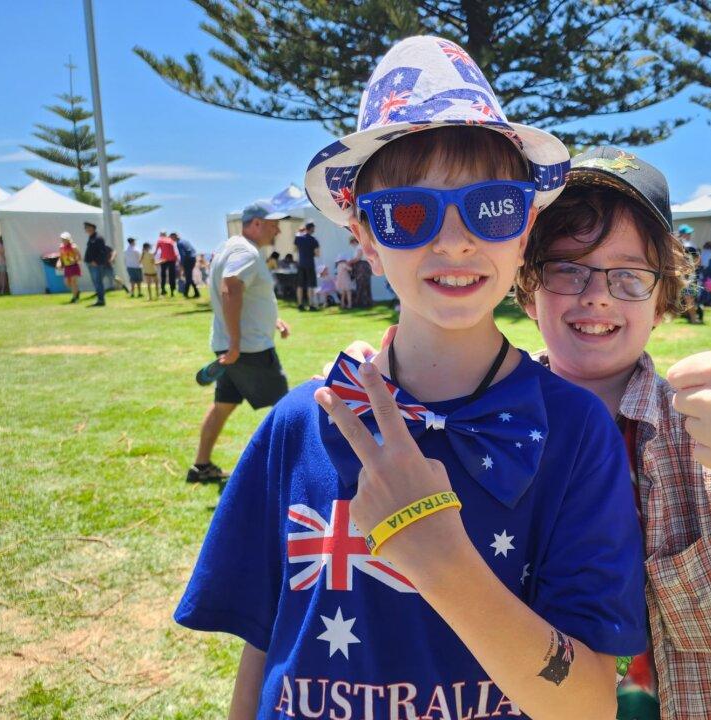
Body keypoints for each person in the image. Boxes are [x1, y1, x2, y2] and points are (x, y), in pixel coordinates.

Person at [176, 38, 646, 720]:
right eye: (408, 212)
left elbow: (590, 705)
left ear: (526, 227)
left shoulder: (574, 433)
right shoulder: (299, 422)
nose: (454, 241)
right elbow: (266, 640)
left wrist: (437, 556)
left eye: (491, 208)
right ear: (364, 236)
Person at [346, 147, 711, 719]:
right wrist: (385, 385)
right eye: (566, 268)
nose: (597, 294)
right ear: (529, 288)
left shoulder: (710, 432)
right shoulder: (471, 425)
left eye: (630, 277)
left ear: (663, 301)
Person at [186, 201, 292, 485]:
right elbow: (231, 287)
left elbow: (244, 296)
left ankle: (201, 466)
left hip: (236, 347)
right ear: (256, 224)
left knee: (223, 406)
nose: (278, 230)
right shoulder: (244, 251)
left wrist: (272, 321)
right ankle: (284, 473)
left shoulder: (231, 247)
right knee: (286, 407)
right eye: (273, 225)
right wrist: (235, 344)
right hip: (247, 350)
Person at [83, 221, 114, 306]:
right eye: (86, 228)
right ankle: (99, 299)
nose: (87, 229)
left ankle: (101, 300)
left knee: (98, 282)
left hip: (96, 265)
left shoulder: (98, 238)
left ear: (93, 228)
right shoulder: (91, 238)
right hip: (90, 264)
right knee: (96, 282)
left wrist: (96, 261)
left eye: (88, 227)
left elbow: (103, 252)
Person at [294, 221, 321, 310]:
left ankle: (300, 304)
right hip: (310, 263)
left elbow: (295, 249)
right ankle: (311, 304)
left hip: (301, 263)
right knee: (310, 285)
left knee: (300, 285)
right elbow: (317, 254)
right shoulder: (314, 240)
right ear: (312, 229)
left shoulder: (298, 238)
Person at [57, 232, 83, 303]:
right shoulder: (61, 247)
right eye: (62, 239)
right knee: (67, 283)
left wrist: (74, 260)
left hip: (74, 266)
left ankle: (75, 298)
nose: (63, 240)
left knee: (73, 282)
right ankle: (77, 292)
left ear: (69, 239)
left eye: (65, 239)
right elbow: (61, 257)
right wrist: (59, 263)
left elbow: (79, 256)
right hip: (67, 267)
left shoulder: (73, 246)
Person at [174, 232, 200, 298]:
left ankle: (186, 293)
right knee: (189, 277)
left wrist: (182, 264)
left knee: (188, 277)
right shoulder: (185, 241)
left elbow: (182, 254)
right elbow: (194, 250)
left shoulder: (179, 243)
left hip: (187, 260)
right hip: (192, 258)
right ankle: (195, 293)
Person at [155, 231, 178, 297]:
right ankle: (172, 291)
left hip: (164, 259)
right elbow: (175, 251)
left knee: (163, 276)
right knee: (172, 276)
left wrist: (154, 260)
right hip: (172, 260)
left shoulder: (160, 240)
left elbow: (156, 251)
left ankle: (163, 291)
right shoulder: (171, 240)